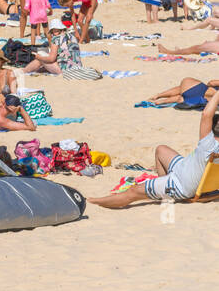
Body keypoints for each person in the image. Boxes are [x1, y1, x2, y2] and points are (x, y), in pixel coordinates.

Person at [91, 88, 219, 208]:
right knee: (161, 149)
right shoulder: (210, 146)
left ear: (210, 129)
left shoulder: (208, 145)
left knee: (133, 192)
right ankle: (161, 183)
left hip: (181, 184)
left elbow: (206, 114)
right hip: (188, 171)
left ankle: (94, 201)